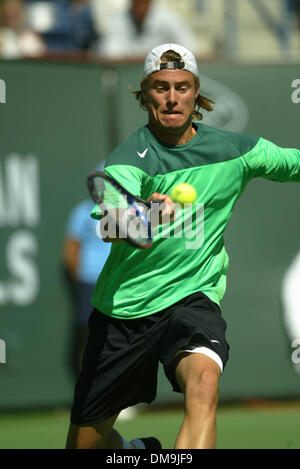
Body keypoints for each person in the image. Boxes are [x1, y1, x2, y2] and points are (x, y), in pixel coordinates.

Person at [65, 43, 300, 450]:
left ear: (196, 93)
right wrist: (146, 218)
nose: (172, 98)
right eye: (160, 87)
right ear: (144, 94)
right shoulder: (127, 160)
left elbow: (291, 162)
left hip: (193, 300)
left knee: (205, 382)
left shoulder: (236, 151)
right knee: (85, 445)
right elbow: (111, 223)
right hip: (125, 310)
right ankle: (138, 452)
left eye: (182, 86)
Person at [62, 163, 111, 377]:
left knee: (119, 338)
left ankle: (117, 394)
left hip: (118, 280)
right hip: (90, 283)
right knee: (92, 337)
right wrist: (81, 283)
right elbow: (71, 253)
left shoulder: (128, 213)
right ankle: (90, 393)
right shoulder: (82, 212)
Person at [93, 0, 200, 58]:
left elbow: (191, 51)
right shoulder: (116, 20)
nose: (140, 5)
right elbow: (109, 53)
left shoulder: (169, 20)